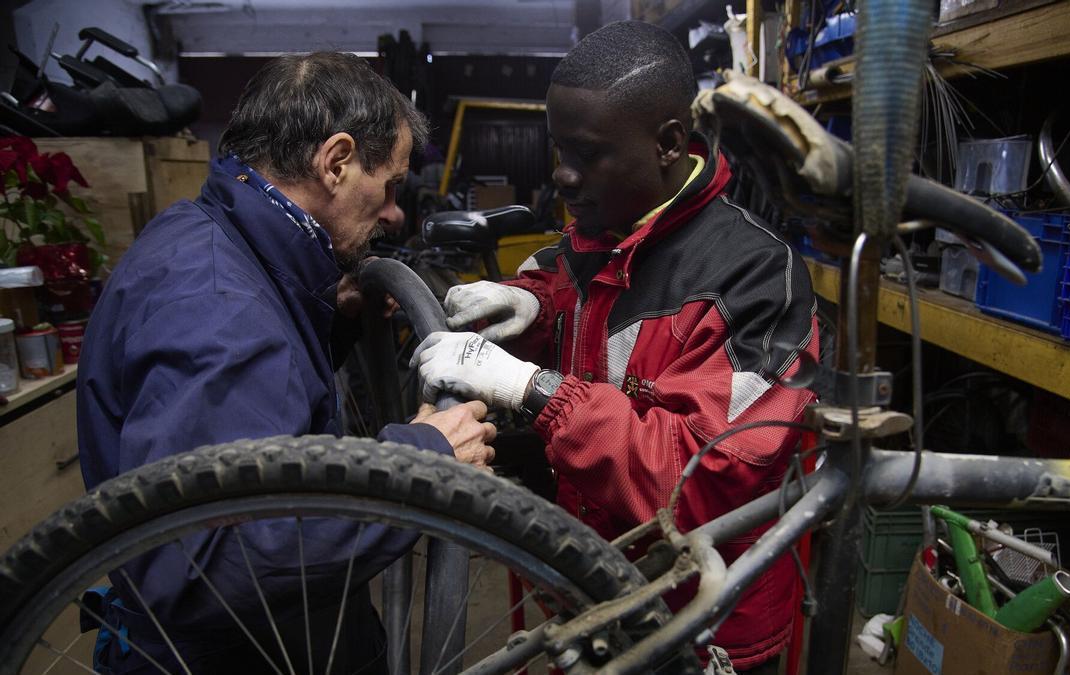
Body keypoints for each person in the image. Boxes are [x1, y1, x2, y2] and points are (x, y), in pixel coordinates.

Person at [412, 21, 818, 674]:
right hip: (604, 585)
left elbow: (700, 482)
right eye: (558, 148)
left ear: (667, 143)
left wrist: (531, 387)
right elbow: (579, 288)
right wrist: (532, 305)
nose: (563, 176)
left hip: (705, 618)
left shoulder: (758, 283)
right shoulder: (609, 223)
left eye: (588, 153)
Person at [77, 52, 496, 674]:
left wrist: (333, 319)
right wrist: (421, 463)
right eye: (389, 187)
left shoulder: (208, 236)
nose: (393, 214)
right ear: (336, 162)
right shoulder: (219, 310)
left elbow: (255, 413)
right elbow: (206, 565)